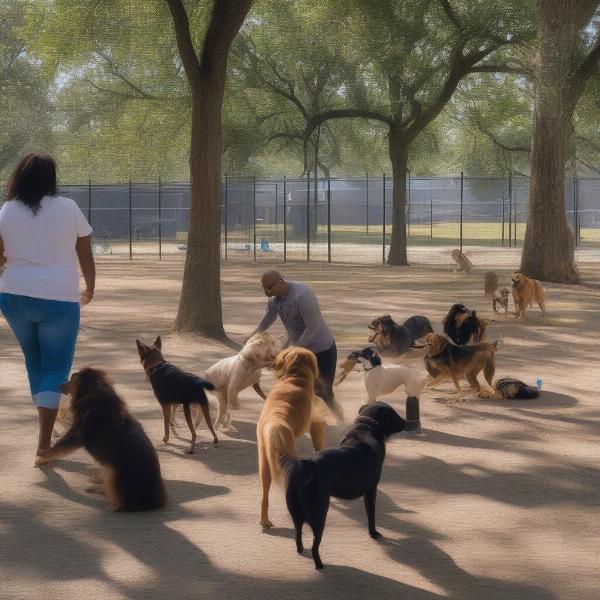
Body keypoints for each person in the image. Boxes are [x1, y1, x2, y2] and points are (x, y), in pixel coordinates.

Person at [0, 154, 95, 462]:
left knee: (36, 365)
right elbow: (85, 252)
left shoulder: (6, 211)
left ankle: (47, 420)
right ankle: (43, 445)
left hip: (13, 296)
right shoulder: (68, 208)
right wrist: (90, 286)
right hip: (58, 299)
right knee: (55, 370)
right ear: (51, 178)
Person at [249, 270, 340, 416]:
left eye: (269, 287)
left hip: (321, 349)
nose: (266, 292)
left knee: (324, 391)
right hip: (297, 348)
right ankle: (304, 419)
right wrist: (252, 337)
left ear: (280, 281)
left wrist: (290, 351)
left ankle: (340, 422)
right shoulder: (274, 297)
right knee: (294, 386)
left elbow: (313, 328)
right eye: (263, 288)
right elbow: (268, 318)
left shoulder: (303, 295)